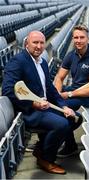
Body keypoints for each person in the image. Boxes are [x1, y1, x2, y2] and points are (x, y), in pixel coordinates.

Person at [2, 31, 82, 174]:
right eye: (35, 42)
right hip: (28, 111)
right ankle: (46, 159)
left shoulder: (43, 62)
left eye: (41, 43)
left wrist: (64, 106)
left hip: (44, 107)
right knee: (61, 124)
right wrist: (33, 104)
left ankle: (41, 147)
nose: (39, 46)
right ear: (27, 43)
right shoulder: (18, 61)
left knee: (75, 118)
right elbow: (8, 90)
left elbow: (50, 89)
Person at [54, 25, 89, 157]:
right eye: (76, 37)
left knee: (59, 110)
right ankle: (49, 140)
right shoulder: (72, 55)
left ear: (87, 39)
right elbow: (59, 77)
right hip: (74, 89)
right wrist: (58, 94)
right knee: (48, 101)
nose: (78, 40)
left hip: (86, 95)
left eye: (82, 37)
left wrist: (68, 95)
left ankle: (70, 146)